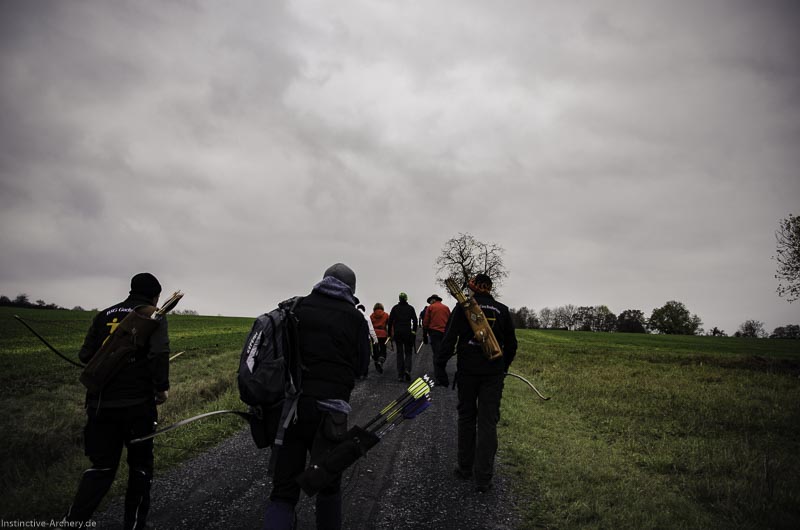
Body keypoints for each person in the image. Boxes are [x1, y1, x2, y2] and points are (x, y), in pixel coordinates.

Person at [263, 263, 371, 530]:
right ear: (351, 288)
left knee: (283, 488)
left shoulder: (297, 308)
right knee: (327, 482)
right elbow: (361, 367)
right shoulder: (355, 318)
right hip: (331, 414)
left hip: (292, 409)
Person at [64, 272, 171, 530]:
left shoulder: (104, 315)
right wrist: (161, 388)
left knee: (101, 467)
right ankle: (134, 526)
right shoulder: (153, 315)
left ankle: (71, 523)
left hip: (100, 405)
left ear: (131, 290)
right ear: (155, 296)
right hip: (137, 406)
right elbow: (159, 353)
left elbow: (85, 355)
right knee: (140, 467)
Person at [435, 274, 517, 493]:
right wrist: (503, 368)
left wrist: (440, 365)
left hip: (468, 372)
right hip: (493, 374)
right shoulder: (502, 310)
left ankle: (465, 468)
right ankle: (483, 479)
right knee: (488, 423)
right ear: (489, 288)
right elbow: (512, 345)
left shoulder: (463, 308)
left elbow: (449, 338)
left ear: (474, 287)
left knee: (467, 418)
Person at [387, 292, 417, 382]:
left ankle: (400, 375)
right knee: (408, 352)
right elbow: (415, 321)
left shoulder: (395, 308)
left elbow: (390, 322)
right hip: (407, 333)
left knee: (399, 353)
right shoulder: (410, 308)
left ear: (399, 299)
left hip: (398, 333)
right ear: (406, 299)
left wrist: (389, 334)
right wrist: (414, 332)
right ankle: (407, 370)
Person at [422, 294, 451, 371]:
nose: (430, 303)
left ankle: (439, 372)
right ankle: (442, 368)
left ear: (433, 300)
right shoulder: (446, 308)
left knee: (436, 353)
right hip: (445, 333)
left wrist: (425, 335)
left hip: (434, 333)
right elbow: (450, 321)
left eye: (430, 301)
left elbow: (426, 322)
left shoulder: (430, 307)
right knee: (442, 351)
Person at [356, 302, 378, 379]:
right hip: (365, 339)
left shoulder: (354, 315)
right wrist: (375, 339)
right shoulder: (367, 317)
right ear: (364, 310)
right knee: (365, 355)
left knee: (357, 355)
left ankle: (357, 372)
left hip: (356, 339)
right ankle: (364, 373)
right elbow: (371, 330)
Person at [369, 303, 390, 374]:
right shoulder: (386, 315)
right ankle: (381, 360)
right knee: (383, 348)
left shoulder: (371, 316)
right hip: (383, 334)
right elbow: (390, 324)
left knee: (375, 349)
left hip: (374, 334)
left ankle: (376, 361)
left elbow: (369, 325)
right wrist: (391, 334)